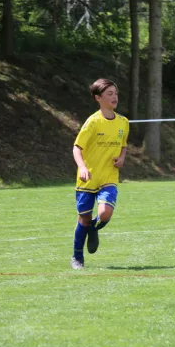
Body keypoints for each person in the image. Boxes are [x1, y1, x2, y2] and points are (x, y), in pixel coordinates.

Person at [71, 78, 129, 269]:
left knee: (104, 213)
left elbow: (123, 146)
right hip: (88, 179)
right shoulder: (93, 122)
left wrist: (121, 158)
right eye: (109, 94)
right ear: (98, 98)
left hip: (109, 177)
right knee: (84, 218)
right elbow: (77, 148)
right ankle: (77, 257)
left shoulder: (123, 122)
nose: (114, 97)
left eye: (116, 93)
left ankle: (93, 230)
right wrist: (82, 167)